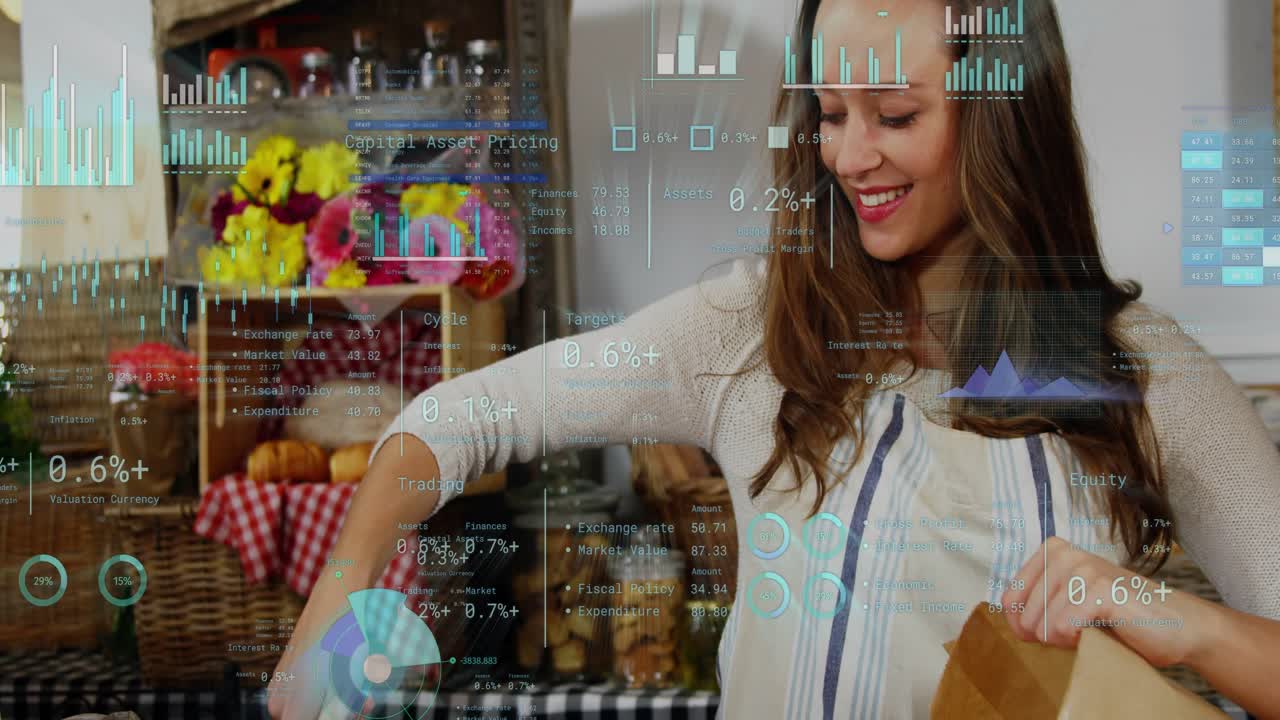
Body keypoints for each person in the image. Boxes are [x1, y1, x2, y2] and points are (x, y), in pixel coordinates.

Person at [267, 0, 1280, 718]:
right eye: (829, 116)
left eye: (893, 115)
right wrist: (339, 586)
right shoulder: (751, 328)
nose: (846, 159)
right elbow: (468, 416)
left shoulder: (1138, 370)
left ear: (1002, 113)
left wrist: (1162, 613)